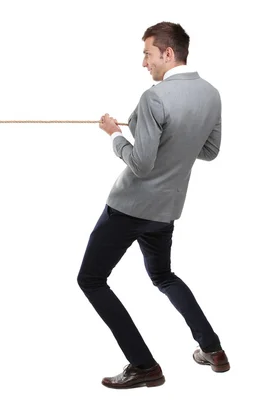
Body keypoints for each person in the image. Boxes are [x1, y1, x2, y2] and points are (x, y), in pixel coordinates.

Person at [76, 21, 229, 390]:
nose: (144, 63)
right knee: (163, 276)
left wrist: (115, 134)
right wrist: (165, 136)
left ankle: (143, 365)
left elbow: (141, 164)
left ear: (168, 53)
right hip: (165, 212)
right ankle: (213, 350)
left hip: (129, 209)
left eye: (147, 54)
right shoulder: (211, 94)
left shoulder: (154, 97)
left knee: (91, 279)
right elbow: (209, 151)